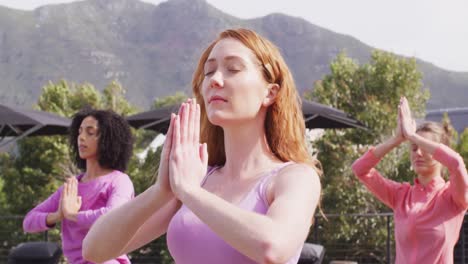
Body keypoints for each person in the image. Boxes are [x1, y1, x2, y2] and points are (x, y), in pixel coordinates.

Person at [83, 28, 322, 264]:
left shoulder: (296, 178)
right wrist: (161, 191)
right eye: (209, 71)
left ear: (270, 93)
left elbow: (272, 248)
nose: (215, 80)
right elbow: (94, 250)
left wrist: (189, 191)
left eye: (233, 69)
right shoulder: (197, 179)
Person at [352, 97, 468, 263]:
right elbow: (359, 169)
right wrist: (397, 139)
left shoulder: (453, 197)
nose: (418, 152)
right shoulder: (401, 195)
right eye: (413, 148)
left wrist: (414, 136)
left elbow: (456, 163)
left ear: (439, 151)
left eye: (425, 147)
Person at [23, 107, 134, 264]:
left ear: (108, 139)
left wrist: (72, 215)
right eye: (80, 131)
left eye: (90, 132)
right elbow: (28, 221)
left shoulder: (120, 181)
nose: (81, 137)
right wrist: (57, 215)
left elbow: (112, 217)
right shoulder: (71, 187)